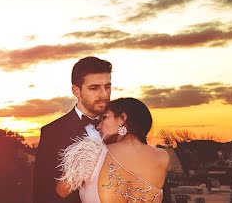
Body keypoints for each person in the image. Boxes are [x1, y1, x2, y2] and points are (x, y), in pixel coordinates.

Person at [56, 98, 169, 203]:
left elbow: (62, 191)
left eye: (104, 118)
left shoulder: (92, 152)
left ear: (122, 118)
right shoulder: (162, 156)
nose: (98, 126)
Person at [33, 57, 112, 203]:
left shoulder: (125, 126)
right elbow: (42, 192)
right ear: (76, 91)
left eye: (107, 87)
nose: (104, 94)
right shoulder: (52, 132)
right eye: (94, 88)